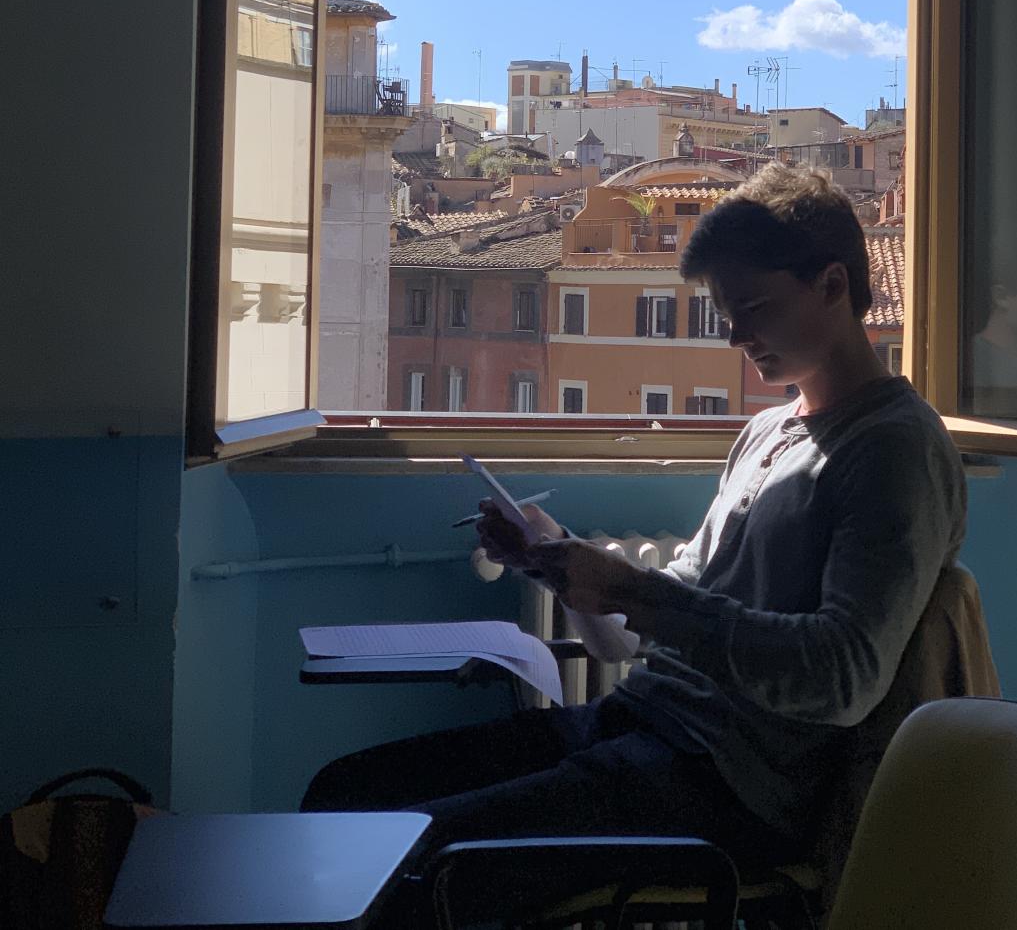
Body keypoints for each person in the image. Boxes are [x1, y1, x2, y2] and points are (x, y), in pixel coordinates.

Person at [302, 165, 967, 915]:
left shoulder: (894, 450)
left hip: (726, 782)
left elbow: (843, 675)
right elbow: (644, 630)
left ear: (835, 285)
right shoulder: (765, 432)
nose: (734, 334)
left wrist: (629, 590)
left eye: (752, 306)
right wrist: (554, 559)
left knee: (403, 860)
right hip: (644, 726)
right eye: (724, 310)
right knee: (345, 792)